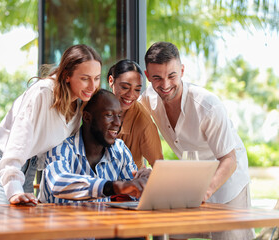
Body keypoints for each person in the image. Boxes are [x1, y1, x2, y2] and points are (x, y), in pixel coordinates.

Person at [139, 41, 255, 239]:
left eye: (172, 76)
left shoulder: (208, 106)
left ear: (182, 71)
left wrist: (205, 192)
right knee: (171, 231)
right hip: (192, 181)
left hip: (229, 181)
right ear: (147, 76)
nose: (165, 85)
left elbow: (230, 159)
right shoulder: (148, 99)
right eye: (157, 77)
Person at [0, 44, 102, 205]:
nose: (92, 86)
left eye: (96, 78)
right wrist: (13, 188)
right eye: (85, 78)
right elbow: (17, 143)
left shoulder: (79, 106)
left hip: (28, 169)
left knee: (19, 228)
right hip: (1, 166)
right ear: (67, 75)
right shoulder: (43, 93)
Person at [39, 89, 151, 203]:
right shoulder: (61, 148)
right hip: (60, 220)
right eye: (109, 115)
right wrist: (113, 186)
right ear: (87, 117)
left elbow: (135, 193)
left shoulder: (120, 150)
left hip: (100, 220)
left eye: (119, 115)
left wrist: (146, 182)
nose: (117, 122)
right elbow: (58, 182)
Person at [107, 59, 163, 169]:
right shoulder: (96, 107)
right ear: (111, 81)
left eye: (137, 90)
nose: (131, 95)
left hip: (129, 183)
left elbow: (160, 167)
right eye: (125, 87)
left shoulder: (143, 122)